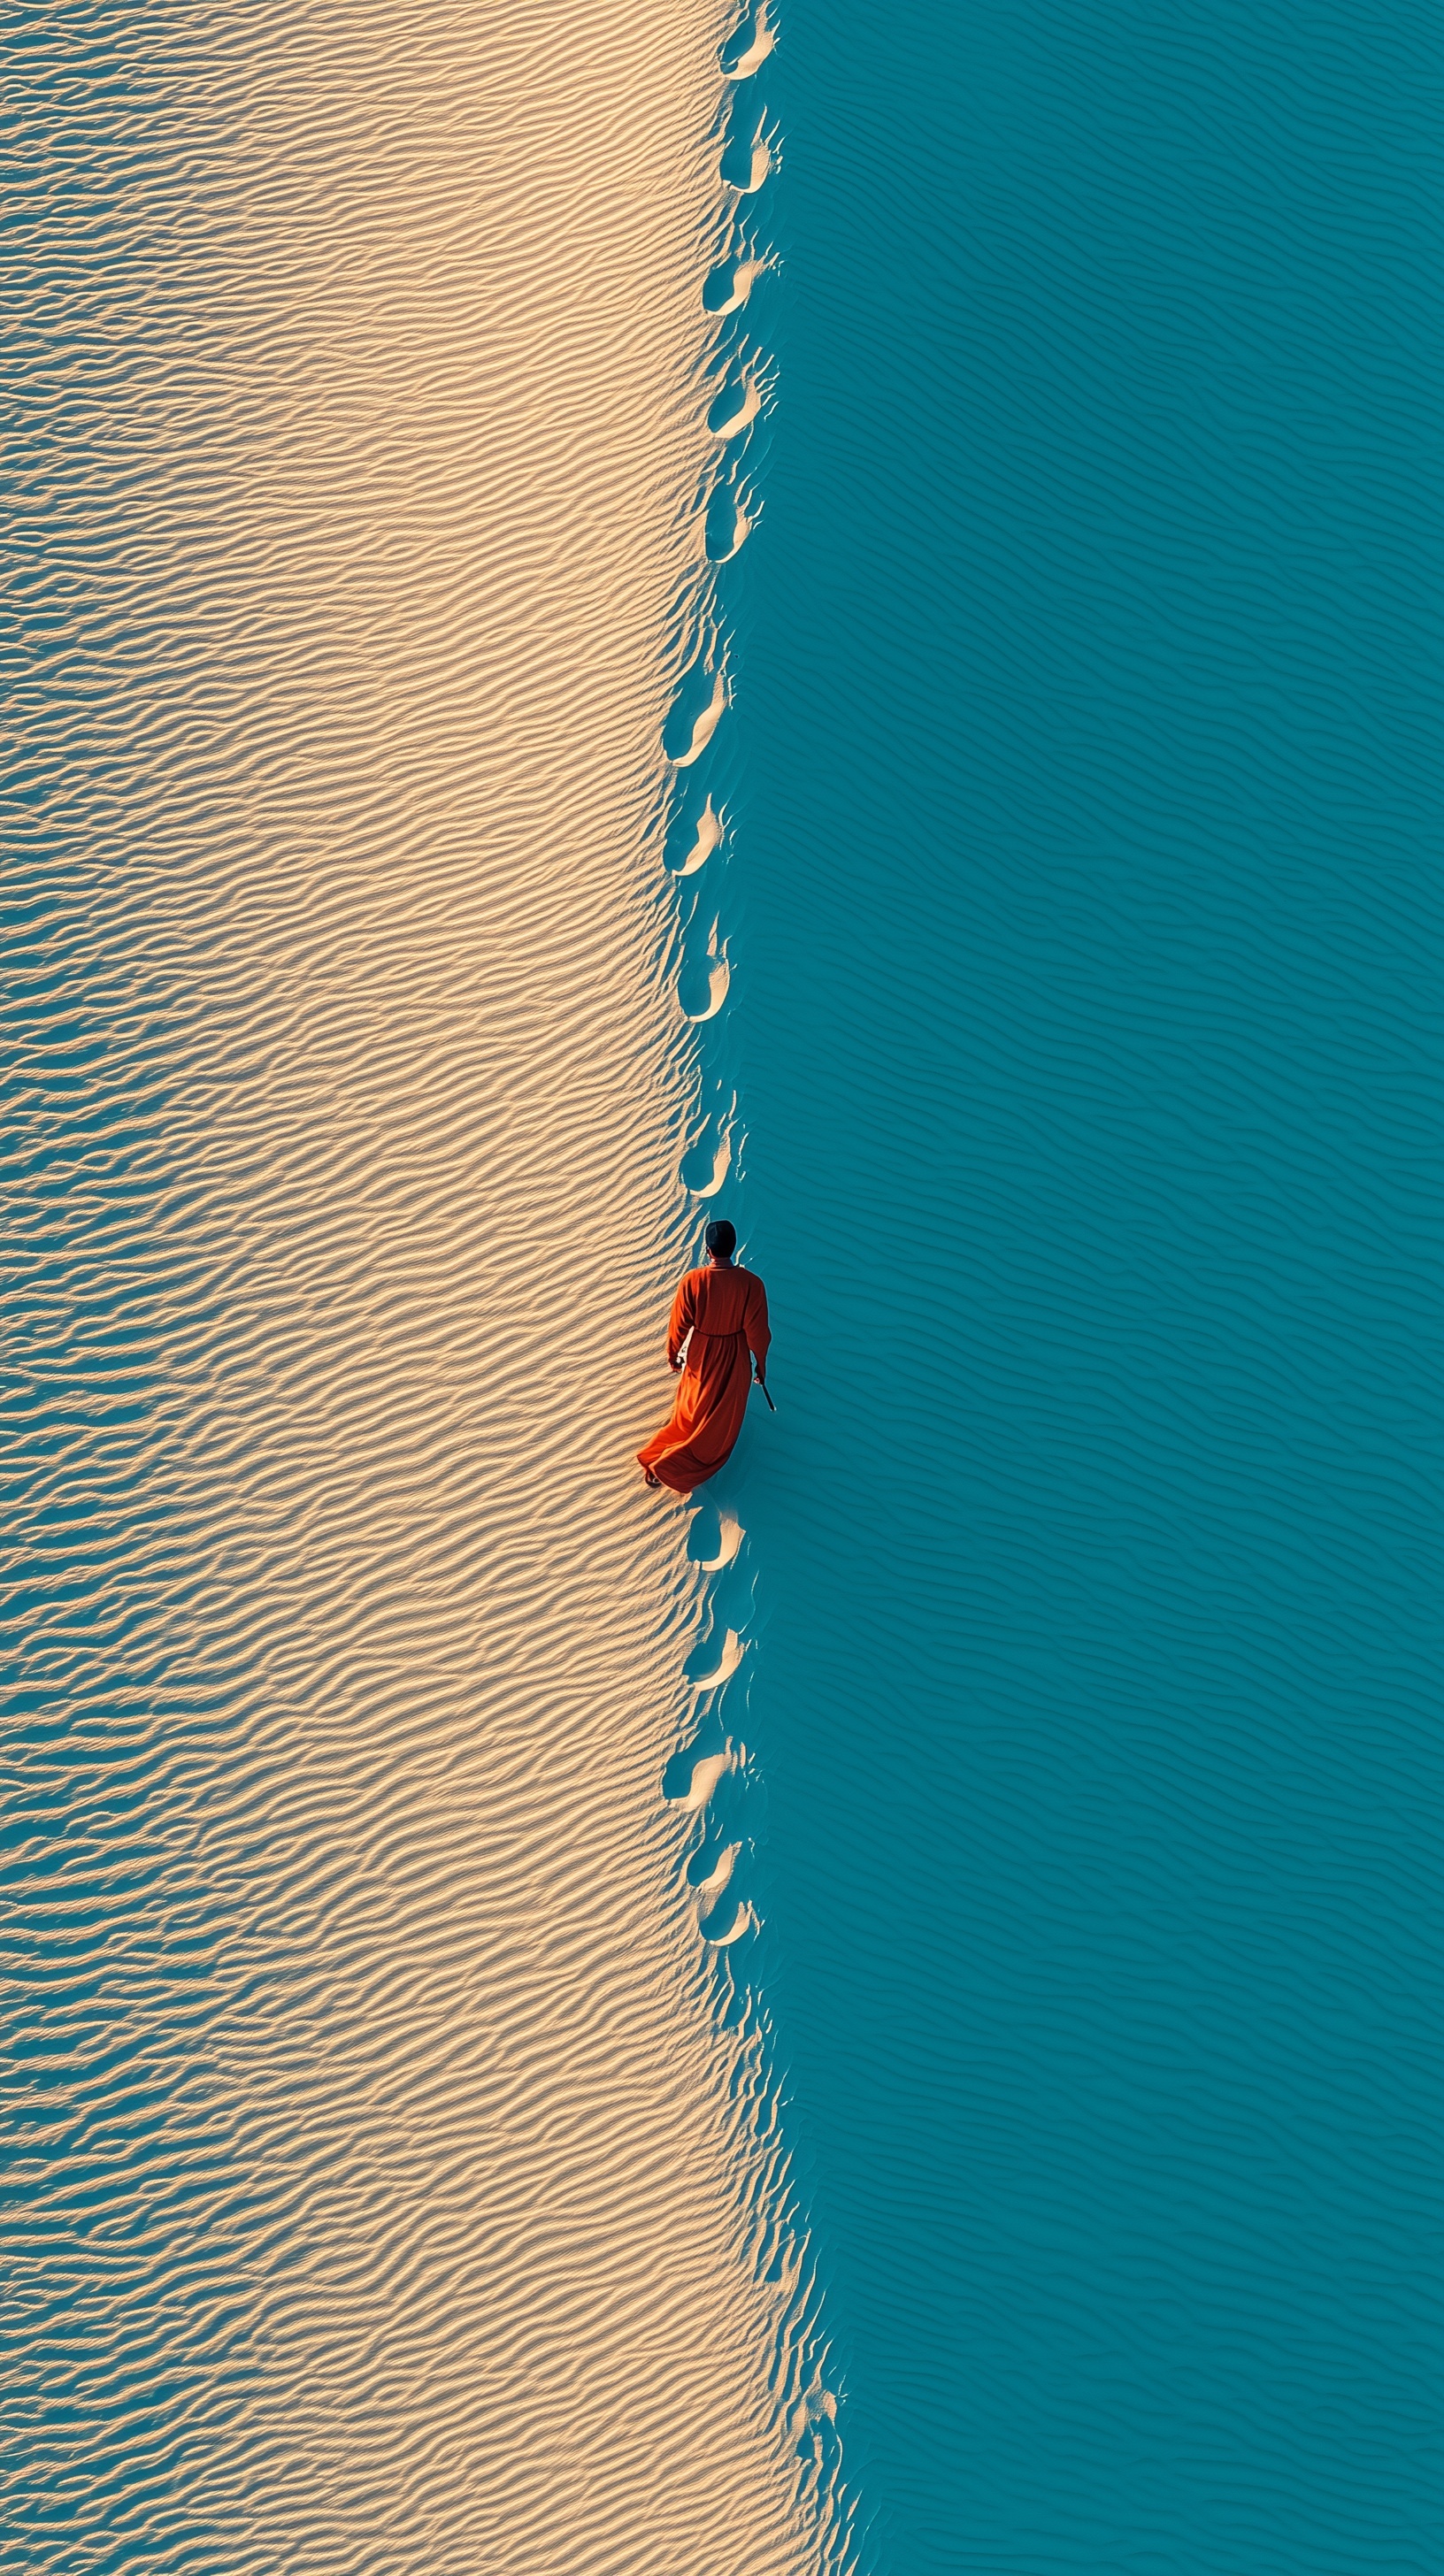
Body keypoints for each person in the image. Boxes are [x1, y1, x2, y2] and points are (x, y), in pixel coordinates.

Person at [638, 1220, 770, 1492]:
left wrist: (673, 1353)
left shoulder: (693, 1281)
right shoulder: (751, 1284)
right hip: (735, 1356)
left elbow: (679, 1323)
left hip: (701, 1353)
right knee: (721, 1420)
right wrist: (761, 1364)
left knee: (691, 1411)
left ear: (709, 1250)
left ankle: (661, 1457)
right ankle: (674, 1465)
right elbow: (758, 1333)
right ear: (732, 1248)